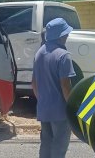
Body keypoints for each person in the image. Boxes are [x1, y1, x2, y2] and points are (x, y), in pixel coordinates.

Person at [32, 17, 76, 158]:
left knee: (46, 143)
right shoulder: (64, 56)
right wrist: (72, 108)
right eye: (66, 34)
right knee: (59, 146)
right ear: (61, 35)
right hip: (60, 111)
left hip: (44, 108)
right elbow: (65, 86)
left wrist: (43, 100)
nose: (67, 36)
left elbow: (34, 83)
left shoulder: (39, 53)